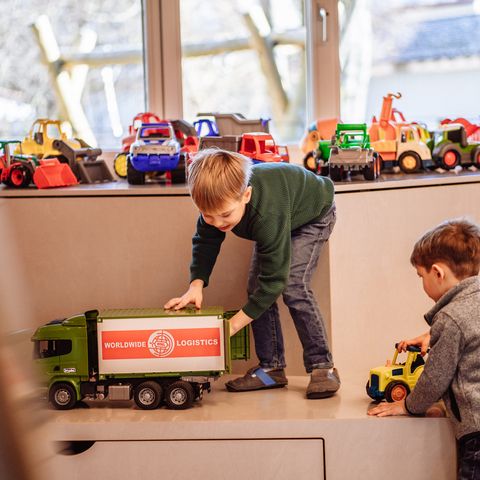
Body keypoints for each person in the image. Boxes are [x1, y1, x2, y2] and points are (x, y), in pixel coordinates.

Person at [164, 148, 339, 399]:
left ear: (246, 195)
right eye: (207, 215)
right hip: (278, 217)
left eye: (225, 215)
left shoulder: (266, 214)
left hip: (313, 215)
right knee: (257, 288)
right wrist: (196, 285)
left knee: (293, 285)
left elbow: (274, 282)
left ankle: (323, 367)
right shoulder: (215, 207)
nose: (218, 222)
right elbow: (205, 241)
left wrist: (234, 325)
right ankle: (271, 370)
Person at [368, 219, 480, 479]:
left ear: (438, 273)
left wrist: (409, 405)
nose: (422, 284)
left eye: (421, 276)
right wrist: (433, 335)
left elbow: (434, 377)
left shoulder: (451, 319)